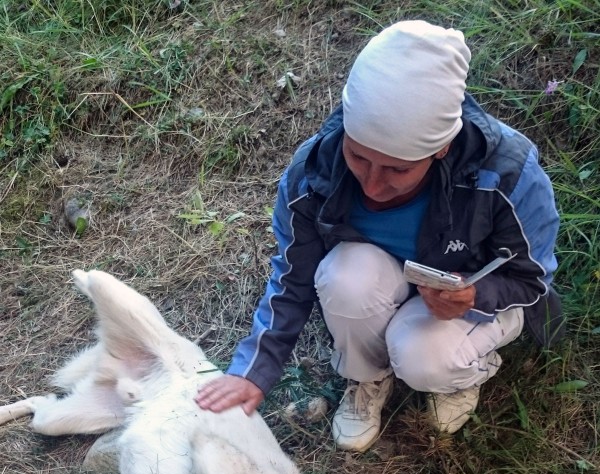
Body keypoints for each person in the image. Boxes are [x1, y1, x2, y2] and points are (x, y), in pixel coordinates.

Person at [196, 19, 562, 452]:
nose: (371, 185)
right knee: (343, 277)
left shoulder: (505, 173)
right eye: (359, 156)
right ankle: (366, 377)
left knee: (426, 357)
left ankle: (461, 374)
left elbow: (532, 279)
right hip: (383, 278)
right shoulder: (314, 171)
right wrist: (252, 370)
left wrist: (475, 294)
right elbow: (292, 277)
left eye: (398, 169)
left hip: (468, 298)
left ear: (441, 147)